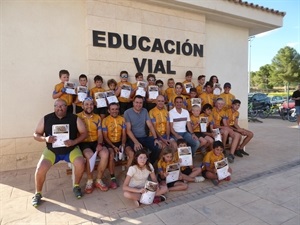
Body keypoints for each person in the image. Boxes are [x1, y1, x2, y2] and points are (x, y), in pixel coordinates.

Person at [32, 99, 87, 207]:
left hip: (70, 149)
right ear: (54, 107)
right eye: (57, 106)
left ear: (66, 107)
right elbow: (36, 134)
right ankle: (37, 193)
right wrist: (45, 139)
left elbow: (84, 133)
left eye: (62, 106)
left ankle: (76, 186)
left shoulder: (74, 118)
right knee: (40, 168)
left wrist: (74, 141)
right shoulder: (46, 118)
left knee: (80, 162)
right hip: (52, 150)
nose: (60, 108)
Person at [77, 97, 110, 193]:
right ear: (82, 106)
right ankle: (90, 180)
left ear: (94, 105)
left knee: (105, 153)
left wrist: (100, 144)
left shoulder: (98, 117)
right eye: (86, 104)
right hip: (84, 142)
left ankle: (99, 180)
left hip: (95, 141)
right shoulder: (77, 117)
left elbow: (100, 134)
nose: (89, 106)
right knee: (90, 156)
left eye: (91, 104)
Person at [102, 103, 134, 189]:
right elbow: (105, 137)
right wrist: (113, 146)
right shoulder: (105, 120)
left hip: (121, 141)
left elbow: (124, 134)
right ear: (109, 111)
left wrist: (123, 144)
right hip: (109, 143)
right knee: (111, 154)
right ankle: (113, 178)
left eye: (116, 109)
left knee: (131, 153)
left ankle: (127, 173)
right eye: (112, 109)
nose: (115, 111)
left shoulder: (122, 119)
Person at [124, 95, 162, 164]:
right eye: (137, 102)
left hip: (144, 137)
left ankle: (149, 164)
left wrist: (155, 138)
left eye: (140, 103)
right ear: (133, 103)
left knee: (158, 147)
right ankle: (142, 167)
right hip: (133, 138)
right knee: (140, 153)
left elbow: (150, 125)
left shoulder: (144, 111)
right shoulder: (127, 112)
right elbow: (128, 130)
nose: (138, 104)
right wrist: (136, 142)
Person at [212, 98, 241, 163]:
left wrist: (229, 128)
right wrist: (224, 127)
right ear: (216, 104)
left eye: (222, 104)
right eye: (219, 103)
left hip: (220, 128)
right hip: (213, 129)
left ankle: (231, 154)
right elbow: (213, 125)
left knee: (237, 135)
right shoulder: (212, 110)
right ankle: (223, 148)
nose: (220, 105)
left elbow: (225, 124)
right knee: (226, 131)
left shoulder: (224, 112)